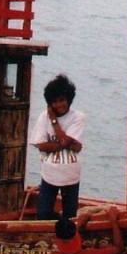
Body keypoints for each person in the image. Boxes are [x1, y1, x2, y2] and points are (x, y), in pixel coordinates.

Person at [30, 74, 85, 222]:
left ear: (69, 98)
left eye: (62, 100)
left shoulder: (77, 117)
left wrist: (54, 121)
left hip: (71, 174)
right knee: (43, 213)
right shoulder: (43, 117)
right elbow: (40, 145)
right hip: (50, 173)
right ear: (50, 103)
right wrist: (69, 145)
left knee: (70, 215)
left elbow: (65, 141)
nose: (59, 104)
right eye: (55, 101)